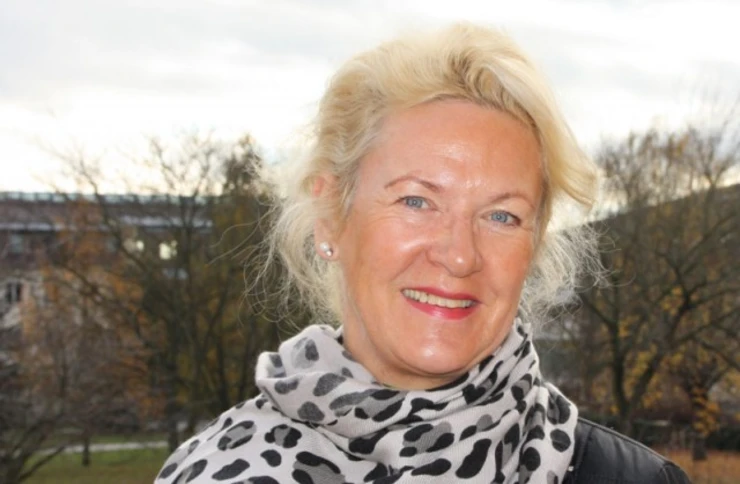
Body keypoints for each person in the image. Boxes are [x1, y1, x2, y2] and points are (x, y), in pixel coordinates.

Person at [155, 23, 690, 483]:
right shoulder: (213, 472)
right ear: (331, 215)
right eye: (416, 201)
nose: (459, 256)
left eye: (501, 216)